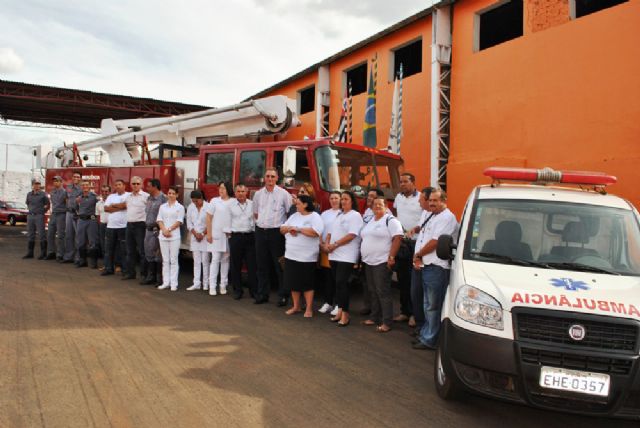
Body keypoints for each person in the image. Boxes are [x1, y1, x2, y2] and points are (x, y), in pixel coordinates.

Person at [412, 189, 458, 350]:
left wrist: (418, 255)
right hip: (428, 266)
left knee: (433, 305)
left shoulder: (447, 218)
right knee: (427, 304)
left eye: (435, 201)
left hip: (437, 267)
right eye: (430, 200)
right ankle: (426, 334)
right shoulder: (433, 214)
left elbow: (434, 242)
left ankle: (430, 339)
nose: (431, 203)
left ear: (444, 201)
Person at [360, 197, 403, 332]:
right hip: (368, 261)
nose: (377, 206)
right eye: (375, 204)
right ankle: (374, 317)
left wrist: (391, 257)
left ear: (386, 207)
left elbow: (398, 238)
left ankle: (387, 322)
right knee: (373, 291)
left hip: (381, 261)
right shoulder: (371, 220)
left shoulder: (390, 220)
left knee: (383, 292)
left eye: (380, 204)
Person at [253, 167, 292, 306]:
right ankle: (263, 294)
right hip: (260, 231)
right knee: (262, 265)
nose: (270, 179)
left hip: (276, 233)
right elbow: (256, 213)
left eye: (272, 176)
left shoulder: (284, 194)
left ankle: (283, 295)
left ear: (277, 179)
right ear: (264, 178)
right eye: (268, 176)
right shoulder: (258, 194)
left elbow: (289, 213)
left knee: (279, 265)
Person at [281, 195, 324, 318]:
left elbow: (315, 232)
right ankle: (296, 306)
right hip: (291, 254)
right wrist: (289, 228)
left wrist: (298, 229)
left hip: (307, 256)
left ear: (305, 204)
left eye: (298, 203)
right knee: (292, 282)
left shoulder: (315, 217)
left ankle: (309, 308)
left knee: (307, 283)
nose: (296, 205)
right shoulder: (294, 216)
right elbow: (282, 229)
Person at [325, 191, 363, 327]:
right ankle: (340, 311)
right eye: (342, 199)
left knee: (342, 283)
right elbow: (330, 232)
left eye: (346, 199)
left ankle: (346, 314)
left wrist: (335, 244)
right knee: (337, 284)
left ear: (352, 201)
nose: (343, 201)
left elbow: (352, 235)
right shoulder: (339, 214)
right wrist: (327, 244)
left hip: (346, 255)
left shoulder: (355, 215)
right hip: (334, 254)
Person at [392, 173, 425, 326]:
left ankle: (414, 314)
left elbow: (425, 221)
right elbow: (395, 215)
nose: (402, 184)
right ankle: (404, 311)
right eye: (401, 182)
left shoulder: (421, 199)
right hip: (402, 243)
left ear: (413, 183)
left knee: (414, 281)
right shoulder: (398, 198)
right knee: (402, 279)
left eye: (406, 182)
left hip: (416, 244)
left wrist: (414, 230)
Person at [407, 187, 434, 336]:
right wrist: (415, 229)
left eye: (421, 199)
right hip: (419, 260)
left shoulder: (440, 217)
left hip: (427, 262)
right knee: (416, 294)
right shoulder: (425, 213)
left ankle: (425, 329)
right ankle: (420, 326)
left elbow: (434, 242)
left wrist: (418, 256)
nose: (418, 201)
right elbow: (422, 226)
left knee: (427, 299)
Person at [228, 183, 257, 300]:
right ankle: (237, 290)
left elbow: (256, 219)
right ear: (235, 193)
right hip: (236, 237)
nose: (241, 193)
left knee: (252, 265)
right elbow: (227, 220)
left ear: (247, 192)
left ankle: (253, 291)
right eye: (238, 191)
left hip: (250, 237)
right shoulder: (230, 205)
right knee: (235, 265)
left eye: (243, 191)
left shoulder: (253, 204)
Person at [206, 181, 234, 296]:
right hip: (216, 235)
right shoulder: (214, 201)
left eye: (223, 188)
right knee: (215, 259)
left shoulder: (233, 202)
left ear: (228, 189)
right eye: (220, 188)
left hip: (228, 235)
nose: (221, 190)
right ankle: (212, 286)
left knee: (225, 260)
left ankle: (223, 285)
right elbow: (208, 218)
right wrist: (209, 233)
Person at [156, 186, 185, 291]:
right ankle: (166, 282)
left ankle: (174, 283)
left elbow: (179, 221)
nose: (171, 195)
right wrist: (163, 230)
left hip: (174, 236)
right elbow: (159, 219)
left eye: (173, 193)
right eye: (169, 193)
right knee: (165, 260)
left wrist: (169, 230)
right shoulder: (162, 206)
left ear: (177, 195)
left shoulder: (180, 207)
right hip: (163, 236)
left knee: (173, 260)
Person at [318, 191, 341, 315]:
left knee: (338, 278)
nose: (333, 200)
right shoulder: (324, 214)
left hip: (338, 250)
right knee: (327, 278)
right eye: (331, 198)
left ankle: (338, 304)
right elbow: (319, 230)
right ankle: (328, 302)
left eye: (336, 198)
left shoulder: (344, 214)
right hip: (325, 250)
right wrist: (322, 245)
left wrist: (333, 245)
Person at [121, 176, 149, 280]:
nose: (135, 185)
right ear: (130, 185)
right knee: (129, 251)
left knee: (142, 251)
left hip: (140, 226)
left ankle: (143, 274)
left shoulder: (146, 196)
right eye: (133, 183)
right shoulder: (128, 197)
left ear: (141, 185)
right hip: (129, 225)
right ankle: (130, 273)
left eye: (137, 183)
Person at [140, 179, 167, 286]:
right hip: (148, 229)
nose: (147, 188)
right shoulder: (149, 198)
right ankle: (150, 276)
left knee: (158, 255)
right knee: (148, 253)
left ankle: (159, 278)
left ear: (155, 186)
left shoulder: (163, 199)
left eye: (149, 186)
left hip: (158, 229)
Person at [101, 179, 129, 276]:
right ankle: (108, 268)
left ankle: (125, 270)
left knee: (124, 250)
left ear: (124, 186)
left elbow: (126, 205)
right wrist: (119, 207)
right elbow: (106, 208)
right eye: (116, 185)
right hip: (111, 226)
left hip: (123, 226)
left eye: (119, 184)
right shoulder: (111, 196)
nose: (117, 186)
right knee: (109, 249)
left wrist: (113, 206)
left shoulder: (128, 195)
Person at [186, 190, 210, 291]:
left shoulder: (208, 206)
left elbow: (211, 222)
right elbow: (189, 222)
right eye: (193, 201)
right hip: (195, 236)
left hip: (205, 236)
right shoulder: (191, 207)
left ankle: (206, 283)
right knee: (196, 261)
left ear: (201, 198)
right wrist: (195, 234)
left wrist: (203, 234)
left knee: (205, 261)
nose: (195, 203)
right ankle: (196, 283)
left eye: (196, 201)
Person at [75, 181, 99, 268]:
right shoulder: (79, 198)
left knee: (93, 242)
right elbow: (76, 208)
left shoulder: (94, 197)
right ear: (81, 187)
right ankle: (82, 261)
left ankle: (93, 262)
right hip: (81, 220)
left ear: (89, 187)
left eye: (86, 185)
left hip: (91, 220)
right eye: (83, 185)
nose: (85, 186)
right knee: (80, 241)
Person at [23, 178, 49, 259]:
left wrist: (41, 211)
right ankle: (30, 253)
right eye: (35, 184)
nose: (37, 185)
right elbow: (28, 203)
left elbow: (47, 205)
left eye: (38, 184)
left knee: (42, 234)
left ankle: (43, 253)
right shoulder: (29, 194)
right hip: (30, 216)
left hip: (39, 216)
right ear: (32, 185)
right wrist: (32, 210)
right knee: (30, 234)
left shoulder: (43, 194)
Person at [62, 171, 82, 263]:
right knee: (69, 236)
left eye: (78, 177)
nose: (76, 178)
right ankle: (68, 257)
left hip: (77, 215)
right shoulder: (68, 187)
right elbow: (66, 198)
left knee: (78, 236)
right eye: (74, 177)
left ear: (80, 178)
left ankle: (78, 258)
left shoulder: (82, 188)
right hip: (69, 213)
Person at [46, 175, 67, 261]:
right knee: (50, 234)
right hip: (54, 214)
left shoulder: (65, 192)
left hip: (61, 214)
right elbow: (52, 204)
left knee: (60, 235)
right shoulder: (52, 192)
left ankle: (60, 254)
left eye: (57, 181)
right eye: (54, 181)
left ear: (61, 182)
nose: (55, 182)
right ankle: (51, 252)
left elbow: (67, 203)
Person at [95, 184, 111, 260]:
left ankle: (115, 264)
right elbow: (98, 216)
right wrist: (100, 224)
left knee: (112, 244)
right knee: (103, 244)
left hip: (111, 226)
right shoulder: (98, 204)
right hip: (102, 225)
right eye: (103, 191)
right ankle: (106, 263)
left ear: (110, 192)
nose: (104, 193)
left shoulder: (113, 202)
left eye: (106, 191)